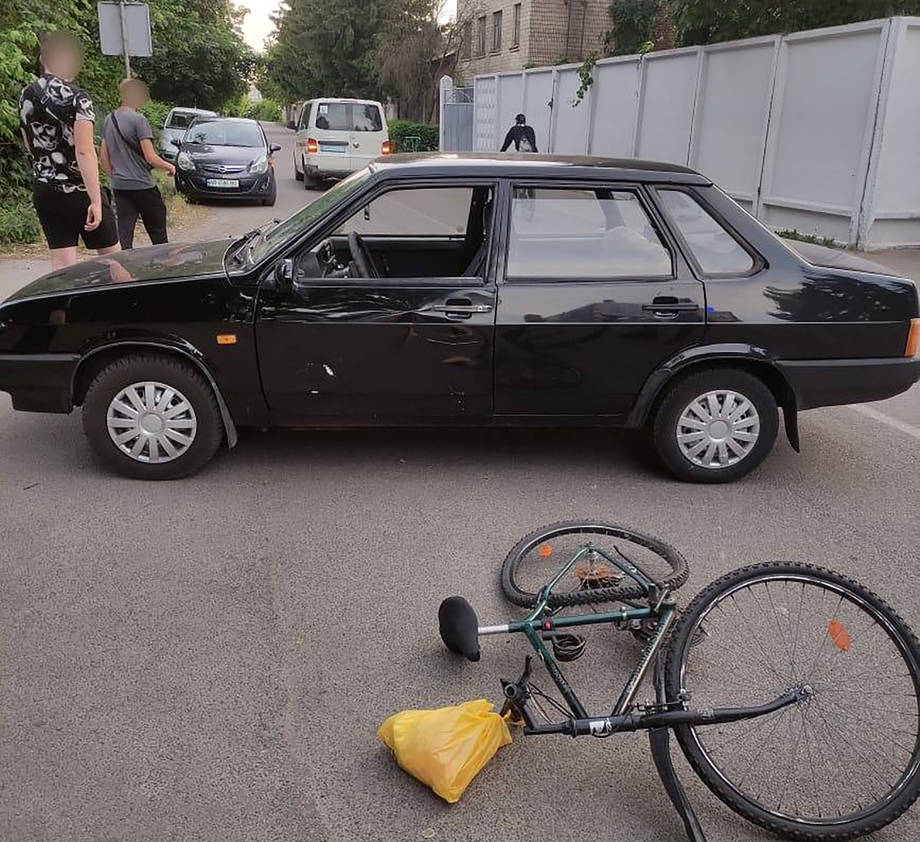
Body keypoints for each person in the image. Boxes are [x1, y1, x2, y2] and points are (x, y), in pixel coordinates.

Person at [19, 31, 120, 270]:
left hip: (45, 190)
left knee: (62, 268)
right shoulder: (78, 98)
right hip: (78, 189)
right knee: (116, 263)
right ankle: (122, 307)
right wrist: (96, 201)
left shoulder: (26, 94)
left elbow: (28, 143)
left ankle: (60, 308)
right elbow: (84, 151)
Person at [100, 77, 176, 250]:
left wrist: (115, 176)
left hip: (121, 186)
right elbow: (150, 157)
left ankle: (125, 272)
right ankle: (162, 268)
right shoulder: (139, 120)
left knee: (124, 237)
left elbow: (103, 156)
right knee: (158, 235)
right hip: (143, 186)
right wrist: (169, 166)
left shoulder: (108, 119)